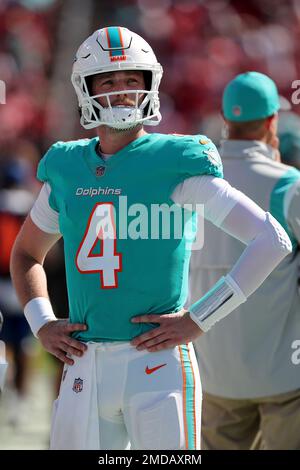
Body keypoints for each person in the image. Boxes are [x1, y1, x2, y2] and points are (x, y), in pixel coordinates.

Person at [10, 28, 291, 450]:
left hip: (157, 365)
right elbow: (27, 252)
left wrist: (199, 318)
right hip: (85, 364)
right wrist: (42, 323)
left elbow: (272, 240)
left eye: (131, 80)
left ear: (149, 85)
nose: (122, 92)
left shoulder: (176, 161)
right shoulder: (67, 166)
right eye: (107, 80)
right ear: (86, 89)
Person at [188, 71, 300, 450]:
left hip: (215, 375)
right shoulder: (289, 184)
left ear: (225, 122)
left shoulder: (195, 182)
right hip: (286, 376)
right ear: (272, 122)